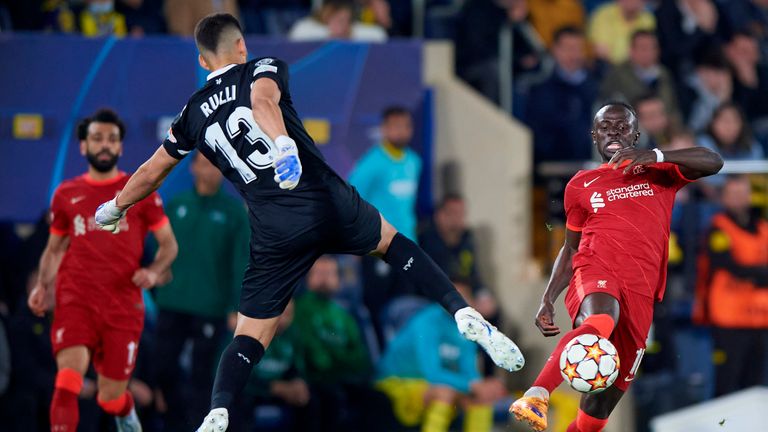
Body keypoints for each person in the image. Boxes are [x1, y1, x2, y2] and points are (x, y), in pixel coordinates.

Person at [92, 13, 523, 431]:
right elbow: (262, 100)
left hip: (275, 228)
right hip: (323, 200)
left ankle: (218, 409)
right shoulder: (262, 66)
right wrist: (283, 145)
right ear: (241, 46)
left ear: (203, 61)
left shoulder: (192, 113)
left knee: (250, 334)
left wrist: (115, 207)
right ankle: (465, 314)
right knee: (394, 244)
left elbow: (151, 171)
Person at [509, 101, 722, 432]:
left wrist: (657, 155)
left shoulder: (659, 172)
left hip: (641, 291)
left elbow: (713, 161)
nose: (614, 133)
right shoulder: (581, 185)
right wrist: (548, 297)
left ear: (636, 133)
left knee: (597, 410)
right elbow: (570, 247)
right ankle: (537, 394)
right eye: (605, 127)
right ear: (594, 135)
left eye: (622, 126)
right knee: (601, 319)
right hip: (596, 270)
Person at [27, 108, 178, 432]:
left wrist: (152, 272)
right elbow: (54, 250)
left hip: (122, 305)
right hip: (76, 298)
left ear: (121, 147)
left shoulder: (139, 191)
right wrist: (42, 286)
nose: (105, 145)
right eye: (97, 139)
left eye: (112, 139)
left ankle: (124, 411)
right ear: (83, 146)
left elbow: (169, 246)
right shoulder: (66, 195)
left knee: (110, 398)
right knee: (67, 382)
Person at [151, 151, 249, 430]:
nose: (209, 171)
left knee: (202, 377)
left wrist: (235, 307)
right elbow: (157, 248)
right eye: (203, 164)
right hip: (172, 302)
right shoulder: (177, 205)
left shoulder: (233, 213)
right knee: (163, 369)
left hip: (212, 308)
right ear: (193, 167)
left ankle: (196, 426)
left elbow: (240, 263)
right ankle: (175, 424)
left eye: (215, 166)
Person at [376, 277, 507, 432]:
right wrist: (473, 385)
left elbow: (469, 371)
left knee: (481, 397)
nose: (456, 302)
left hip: (435, 383)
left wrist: (481, 386)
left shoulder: (467, 327)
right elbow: (431, 372)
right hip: (398, 382)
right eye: (452, 295)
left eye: (463, 296)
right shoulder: (427, 321)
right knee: (445, 393)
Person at [692, 175, 768, 396]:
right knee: (726, 381)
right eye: (733, 194)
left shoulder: (762, 228)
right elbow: (726, 263)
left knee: (756, 383)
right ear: (723, 198)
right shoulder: (718, 228)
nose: (739, 199)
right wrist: (761, 273)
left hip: (761, 317)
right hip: (729, 318)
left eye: (743, 193)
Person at [525, 26, 600, 163]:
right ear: (556, 50)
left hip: (592, 162)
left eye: (578, 49)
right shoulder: (541, 90)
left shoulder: (596, 86)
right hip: (555, 164)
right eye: (568, 49)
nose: (574, 55)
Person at [588, 0, 656, 64]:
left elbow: (647, 50)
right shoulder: (603, 14)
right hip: (609, 66)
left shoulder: (648, 19)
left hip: (637, 67)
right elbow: (601, 51)